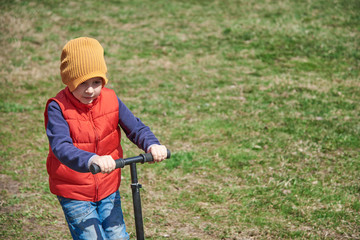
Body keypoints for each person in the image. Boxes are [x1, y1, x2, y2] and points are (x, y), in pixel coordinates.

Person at [44, 37, 168, 240]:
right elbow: (61, 147)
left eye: (96, 82)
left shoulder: (110, 99)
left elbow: (135, 127)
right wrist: (91, 159)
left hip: (108, 185)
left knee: (117, 235)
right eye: (82, 83)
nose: (90, 90)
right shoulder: (57, 107)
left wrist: (152, 144)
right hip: (74, 190)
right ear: (69, 80)